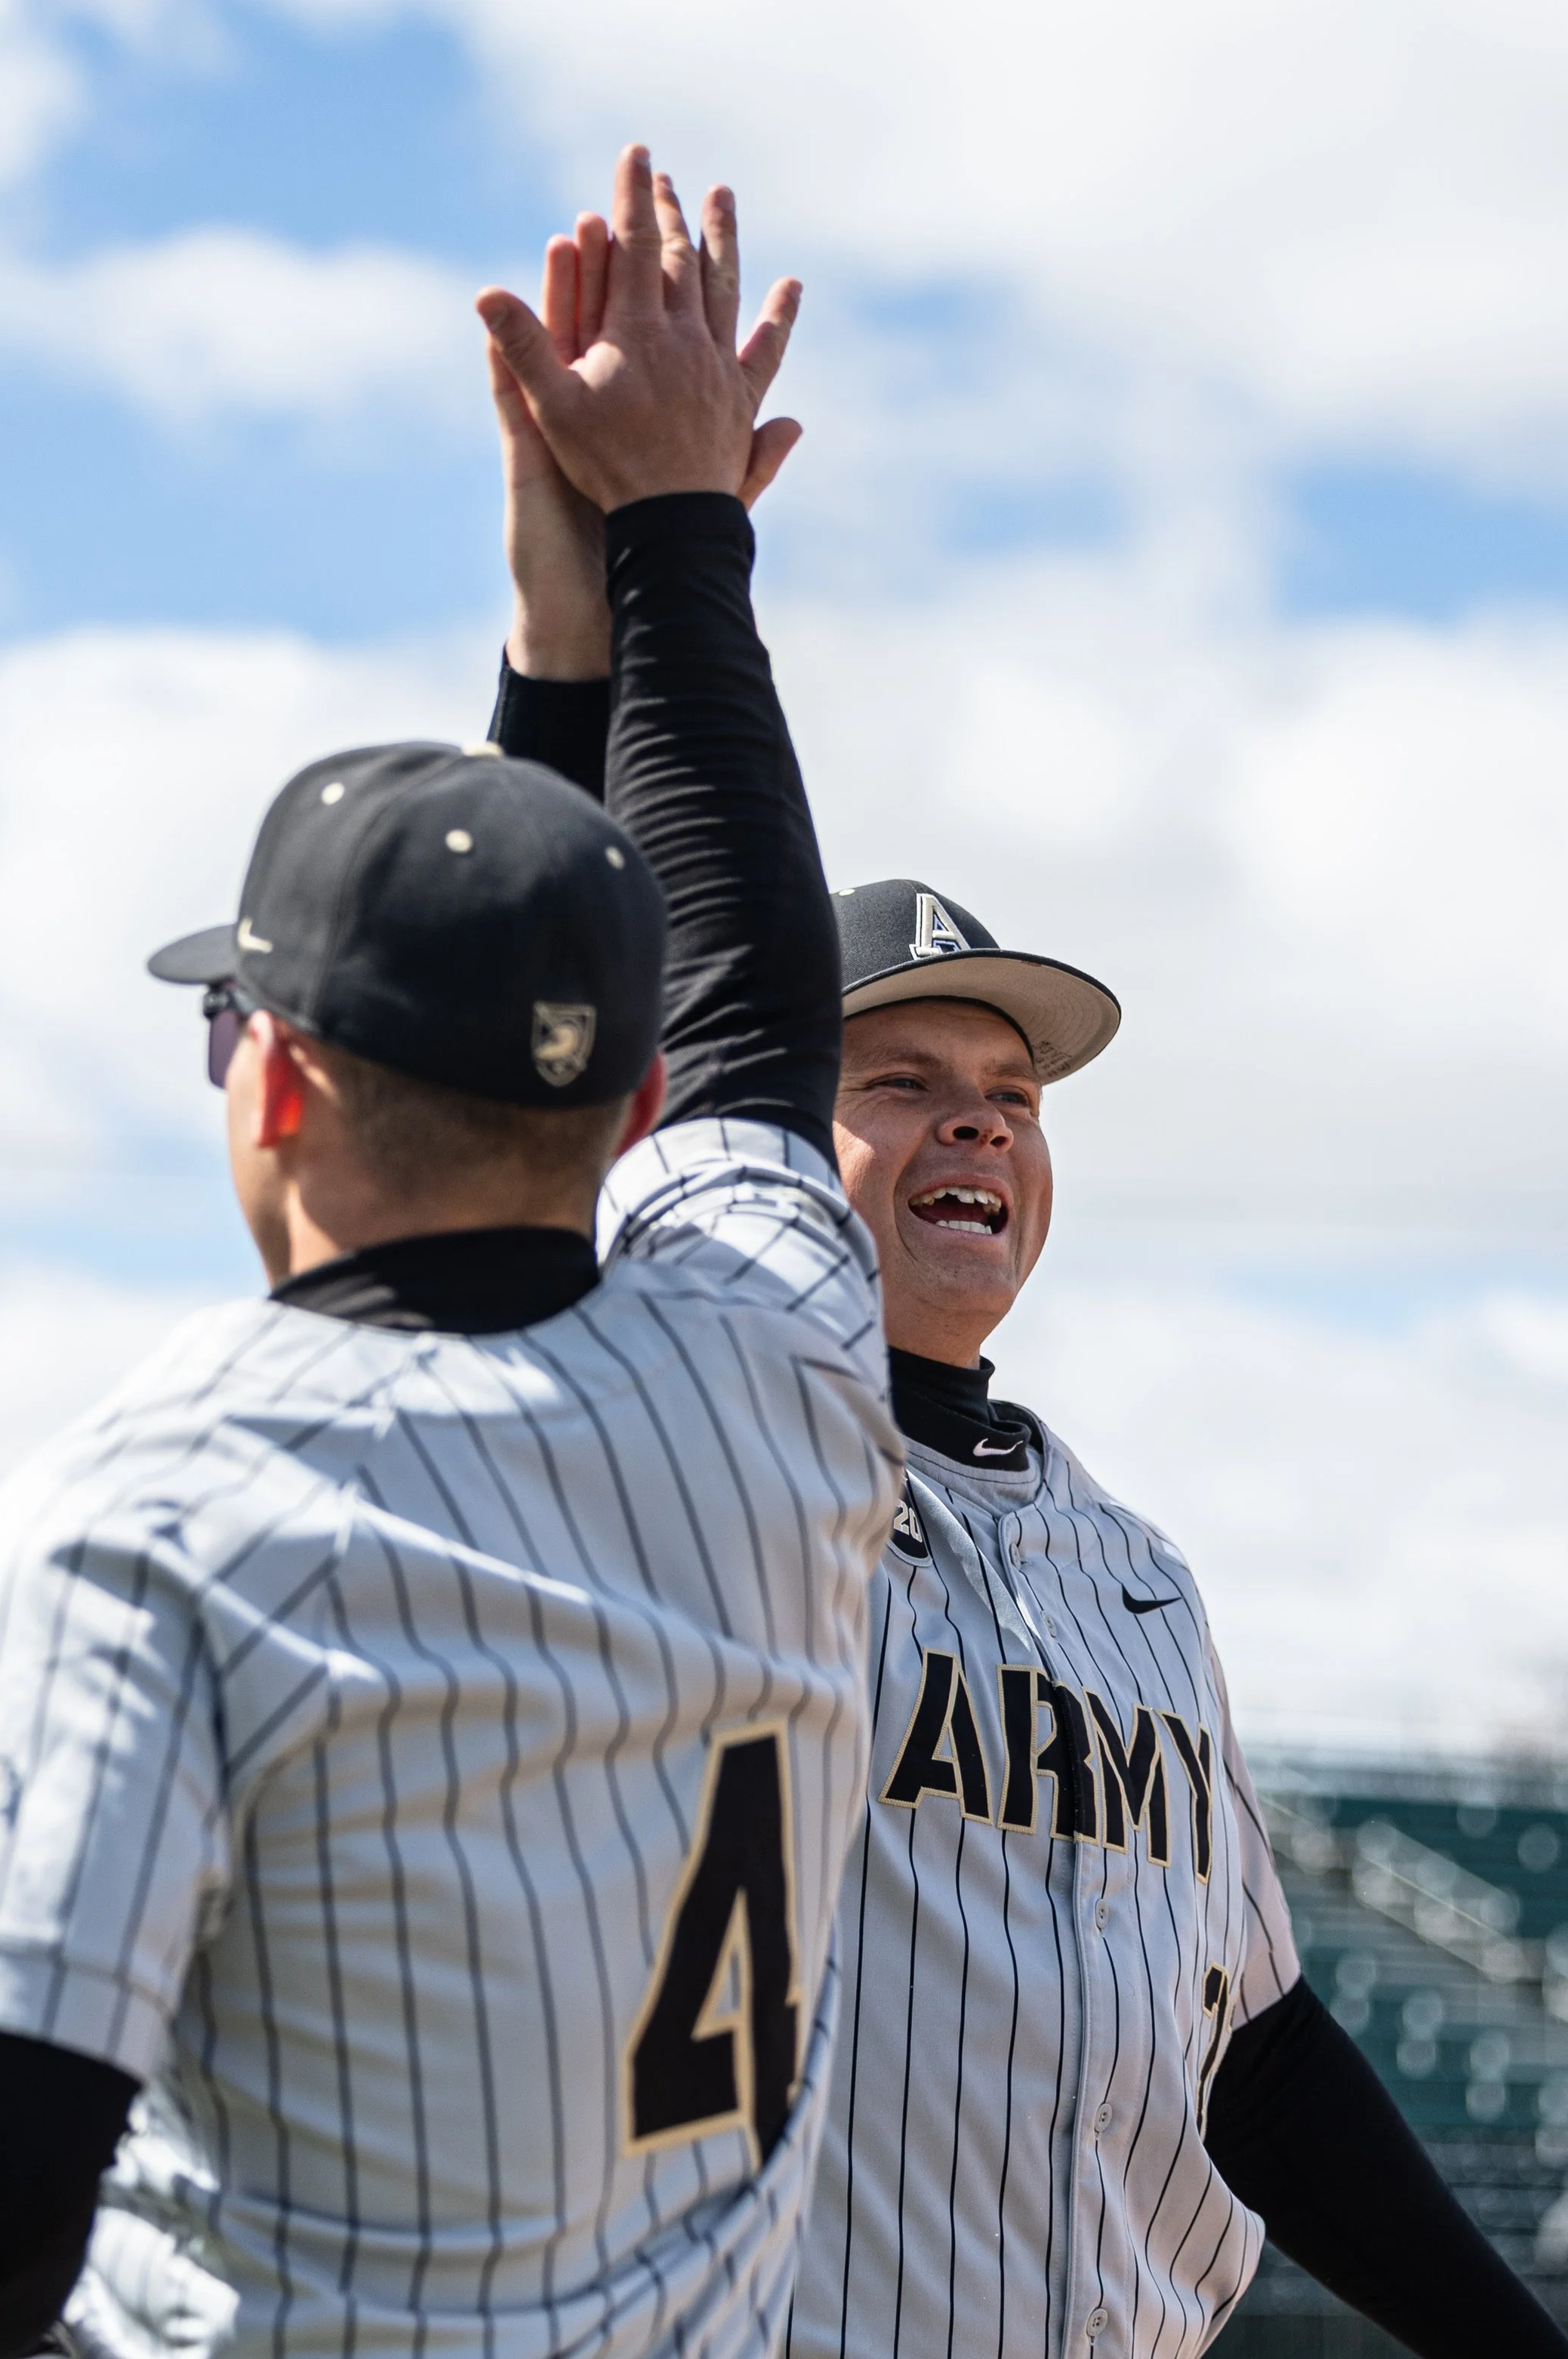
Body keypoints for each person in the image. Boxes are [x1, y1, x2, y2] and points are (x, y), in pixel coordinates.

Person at [0, 148, 903, 2359]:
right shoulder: (787, 1375)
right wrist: (650, 562)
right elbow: (750, 1008)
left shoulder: (153, 1508)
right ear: (629, 1102)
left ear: (271, 1086)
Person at [484, 220, 1568, 2359]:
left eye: (1011, 1096)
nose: (975, 1127)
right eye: (899, 1083)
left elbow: (1255, 2054)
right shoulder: (673, 1447)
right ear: (758, 1132)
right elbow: (526, 1026)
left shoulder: (1136, 1575)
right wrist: (584, 626)